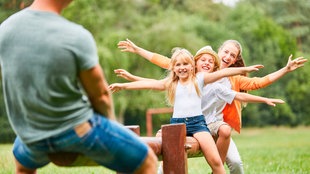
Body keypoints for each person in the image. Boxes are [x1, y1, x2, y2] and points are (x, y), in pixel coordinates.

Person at [0, 1, 158, 174]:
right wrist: (111, 129)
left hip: (30, 136)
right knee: (148, 161)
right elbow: (101, 95)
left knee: (23, 168)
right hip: (77, 131)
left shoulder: (5, 29)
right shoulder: (75, 35)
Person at [117, 39, 307, 174]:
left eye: (232, 55)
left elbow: (257, 82)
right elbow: (160, 69)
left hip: (208, 125)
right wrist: (135, 57)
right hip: (183, 123)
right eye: (226, 52)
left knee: (230, 158)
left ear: (234, 60)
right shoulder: (189, 69)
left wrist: (250, 71)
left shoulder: (214, 77)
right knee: (163, 145)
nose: (228, 56)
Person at [109, 47, 264, 174]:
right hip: (176, 125)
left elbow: (223, 72)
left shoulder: (200, 79)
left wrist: (244, 69)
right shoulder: (171, 83)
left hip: (198, 124)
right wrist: (123, 85)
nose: (182, 68)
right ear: (174, 68)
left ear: (192, 66)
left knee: (216, 162)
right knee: (158, 146)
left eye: (185, 64)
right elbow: (149, 84)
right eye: (178, 65)